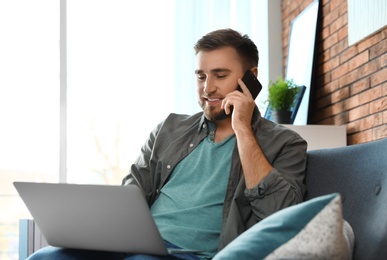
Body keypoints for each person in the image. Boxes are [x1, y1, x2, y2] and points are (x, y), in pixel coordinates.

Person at [27, 28, 307, 260]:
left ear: (251, 78)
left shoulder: (285, 143)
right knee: (43, 257)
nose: (207, 88)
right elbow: (131, 195)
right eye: (200, 76)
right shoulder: (169, 128)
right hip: (133, 247)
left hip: (189, 256)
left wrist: (243, 129)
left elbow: (280, 215)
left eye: (220, 75)